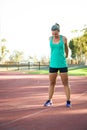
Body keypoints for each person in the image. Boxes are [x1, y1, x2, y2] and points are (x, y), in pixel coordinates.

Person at [44, 23, 71, 107]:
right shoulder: (50, 39)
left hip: (62, 63)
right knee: (52, 83)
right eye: (53, 33)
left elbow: (66, 48)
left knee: (65, 83)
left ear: (58, 31)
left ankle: (68, 101)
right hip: (53, 64)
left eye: (55, 33)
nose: (54, 35)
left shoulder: (64, 38)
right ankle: (49, 100)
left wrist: (66, 55)